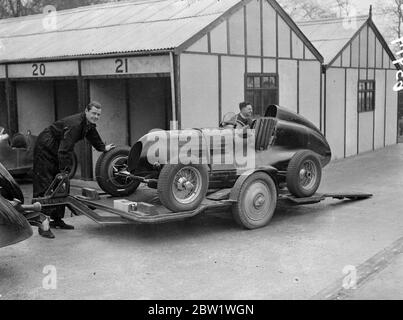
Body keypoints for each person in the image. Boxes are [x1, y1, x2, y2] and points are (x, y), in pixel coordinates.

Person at [32, 101, 115, 238]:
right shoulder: (76, 125)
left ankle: (57, 220)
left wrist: (102, 148)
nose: (96, 116)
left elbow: (92, 134)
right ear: (86, 111)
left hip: (57, 147)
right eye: (94, 113)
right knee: (45, 185)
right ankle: (43, 226)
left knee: (62, 186)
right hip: (45, 146)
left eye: (98, 114)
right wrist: (65, 171)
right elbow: (65, 150)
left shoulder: (87, 124)